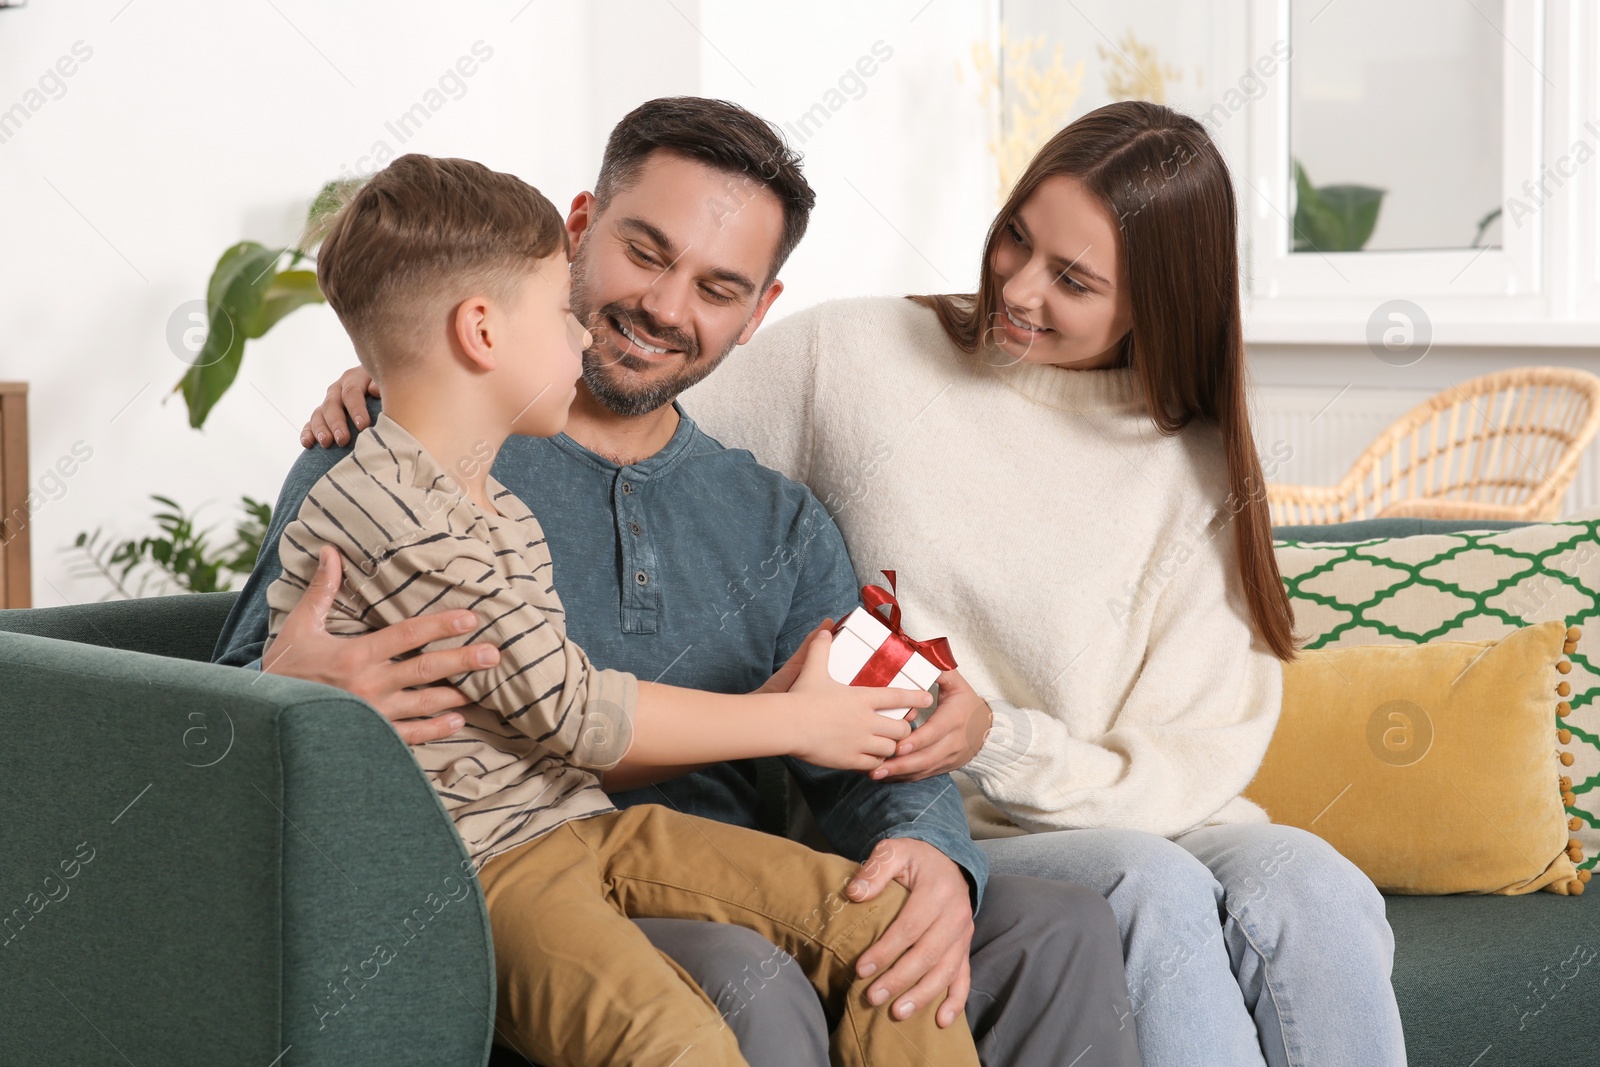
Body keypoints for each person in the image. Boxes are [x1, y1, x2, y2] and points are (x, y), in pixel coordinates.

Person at [220, 98, 1140, 1067]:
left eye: (718, 286)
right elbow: (217, 711)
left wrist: (931, 854)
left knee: (1056, 929)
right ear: (576, 233)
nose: (665, 308)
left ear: (757, 315)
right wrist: (293, 698)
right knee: (751, 977)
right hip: (507, 889)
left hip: (710, 864)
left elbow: (872, 728)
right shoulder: (377, 459)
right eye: (647, 254)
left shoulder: (776, 521)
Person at [674, 100, 1408, 1067]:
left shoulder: (1195, 467)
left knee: (1312, 882)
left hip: (1140, 812)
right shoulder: (850, 359)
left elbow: (1193, 756)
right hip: (942, 822)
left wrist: (1006, 741)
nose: (1017, 288)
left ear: (1161, 302)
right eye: (1016, 236)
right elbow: (640, 419)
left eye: (1072, 279)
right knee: (1151, 887)